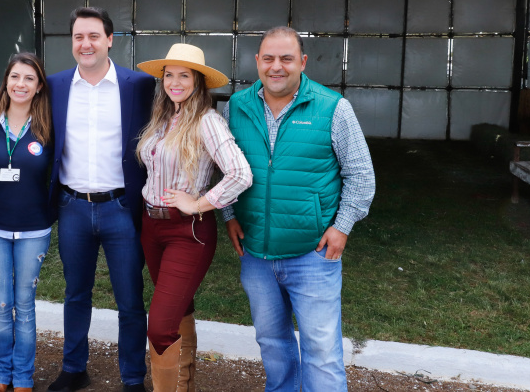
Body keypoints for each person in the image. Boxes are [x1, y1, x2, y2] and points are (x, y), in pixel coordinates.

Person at [223, 26, 376, 392]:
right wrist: (228, 216)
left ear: (302, 62)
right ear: (257, 62)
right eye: (269, 58)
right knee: (272, 344)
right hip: (256, 255)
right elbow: (223, 170)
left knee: (321, 351)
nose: (277, 67)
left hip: (313, 255)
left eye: (286, 59)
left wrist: (341, 227)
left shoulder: (333, 108)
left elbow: (361, 175)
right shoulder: (236, 108)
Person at [46, 6, 155, 392]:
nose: (86, 43)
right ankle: (74, 368)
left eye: (94, 36)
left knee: (130, 297)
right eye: (78, 37)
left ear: (110, 40)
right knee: (76, 293)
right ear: (71, 42)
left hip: (121, 208)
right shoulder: (55, 85)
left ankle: (132, 377)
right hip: (73, 207)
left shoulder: (138, 86)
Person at [135, 43, 252, 391]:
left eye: (183, 75)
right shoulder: (162, 118)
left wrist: (198, 204)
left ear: (198, 82)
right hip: (151, 226)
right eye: (169, 75)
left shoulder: (207, 121)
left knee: (158, 326)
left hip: (187, 231)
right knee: (177, 308)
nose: (174, 82)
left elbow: (240, 174)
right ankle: (182, 382)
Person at [0, 52, 54, 392]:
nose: (20, 84)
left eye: (29, 79)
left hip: (34, 229)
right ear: (6, 82)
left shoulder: (50, 130)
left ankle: (23, 376)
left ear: (38, 87)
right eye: (15, 77)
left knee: (24, 305)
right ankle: (1, 373)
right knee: (1, 304)